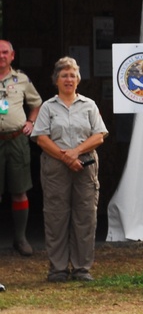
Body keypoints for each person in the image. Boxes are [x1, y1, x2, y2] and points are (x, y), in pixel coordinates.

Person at [31, 57, 108, 282]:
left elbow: (99, 135)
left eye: (72, 75)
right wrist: (66, 157)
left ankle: (82, 268)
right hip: (56, 166)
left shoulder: (89, 105)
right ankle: (58, 269)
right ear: (56, 80)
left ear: (78, 80)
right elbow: (41, 138)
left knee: (85, 216)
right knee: (56, 216)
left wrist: (76, 153)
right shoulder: (48, 106)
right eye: (64, 75)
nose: (68, 79)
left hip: (85, 165)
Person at [0, 39, 42, 257]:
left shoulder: (21, 80)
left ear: (12, 56)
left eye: (5, 52)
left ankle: (20, 238)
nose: (1, 56)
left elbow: (36, 103)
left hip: (17, 140)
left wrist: (31, 122)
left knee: (20, 190)